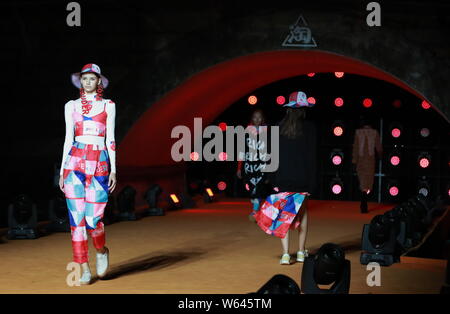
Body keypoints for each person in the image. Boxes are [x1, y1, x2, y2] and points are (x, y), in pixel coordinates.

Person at [59, 63, 117, 284]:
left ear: (99, 82)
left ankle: (101, 251)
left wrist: (114, 169)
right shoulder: (71, 106)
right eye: (85, 79)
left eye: (92, 78)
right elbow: (67, 139)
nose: (88, 82)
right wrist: (63, 170)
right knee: (77, 219)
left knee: (94, 219)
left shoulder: (108, 105)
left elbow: (110, 139)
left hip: (100, 162)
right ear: (80, 81)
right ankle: (83, 267)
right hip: (75, 161)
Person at [253, 91, 317, 265]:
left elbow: (271, 157)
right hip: (302, 180)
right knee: (302, 215)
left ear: (288, 109)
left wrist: (273, 180)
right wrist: (311, 184)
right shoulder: (310, 128)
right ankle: (302, 253)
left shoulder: (278, 128)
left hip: (283, 180)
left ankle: (286, 254)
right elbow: (312, 158)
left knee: (284, 216)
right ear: (303, 109)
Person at [236, 109, 271, 221]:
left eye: (259, 117)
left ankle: (255, 211)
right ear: (252, 119)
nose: (257, 119)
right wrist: (239, 168)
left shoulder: (267, 132)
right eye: (255, 117)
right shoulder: (246, 132)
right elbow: (241, 150)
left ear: (263, 119)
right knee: (251, 189)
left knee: (258, 188)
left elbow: (270, 151)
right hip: (249, 166)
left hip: (261, 165)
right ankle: (256, 206)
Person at [352, 117, 382, 213]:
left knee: (362, 181)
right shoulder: (374, 133)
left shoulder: (358, 132)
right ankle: (364, 200)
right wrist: (380, 156)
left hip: (360, 160)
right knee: (368, 181)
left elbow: (355, 148)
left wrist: (354, 161)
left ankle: (363, 199)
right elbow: (379, 147)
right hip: (370, 160)